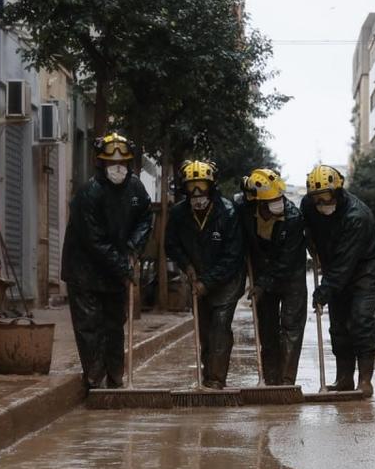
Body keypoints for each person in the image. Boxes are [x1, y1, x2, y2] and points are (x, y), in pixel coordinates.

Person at [61, 133, 154, 390]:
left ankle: (115, 378)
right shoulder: (88, 194)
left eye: (122, 163)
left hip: (115, 269)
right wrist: (124, 267)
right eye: (112, 163)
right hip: (85, 271)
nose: (117, 168)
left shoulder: (136, 188)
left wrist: (134, 247)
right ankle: (95, 380)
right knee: (90, 326)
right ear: (100, 163)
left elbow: (145, 218)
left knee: (114, 325)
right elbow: (95, 242)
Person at [301, 165, 375, 396]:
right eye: (316, 199)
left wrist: (324, 291)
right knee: (338, 324)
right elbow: (306, 226)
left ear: (337, 192)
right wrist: (310, 241)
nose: (321, 203)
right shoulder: (308, 206)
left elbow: (344, 264)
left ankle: (365, 381)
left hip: (365, 266)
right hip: (335, 264)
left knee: (360, 319)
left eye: (326, 197)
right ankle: (344, 379)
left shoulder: (357, 216)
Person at [165, 160, 245, 389]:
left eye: (202, 186)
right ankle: (207, 373)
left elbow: (233, 257)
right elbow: (171, 245)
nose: (197, 193)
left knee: (220, 327)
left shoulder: (228, 212)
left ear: (211, 186)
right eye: (192, 187)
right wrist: (187, 266)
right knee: (205, 331)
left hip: (227, 282)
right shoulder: (178, 213)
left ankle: (216, 380)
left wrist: (207, 283)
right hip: (198, 279)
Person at [238, 168, 307, 385]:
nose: (277, 205)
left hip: (291, 274)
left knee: (291, 328)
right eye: (270, 202)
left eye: (279, 199)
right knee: (267, 330)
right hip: (261, 272)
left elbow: (285, 262)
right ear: (258, 203)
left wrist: (262, 285)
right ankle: (270, 381)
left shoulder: (293, 218)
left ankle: (286, 382)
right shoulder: (244, 210)